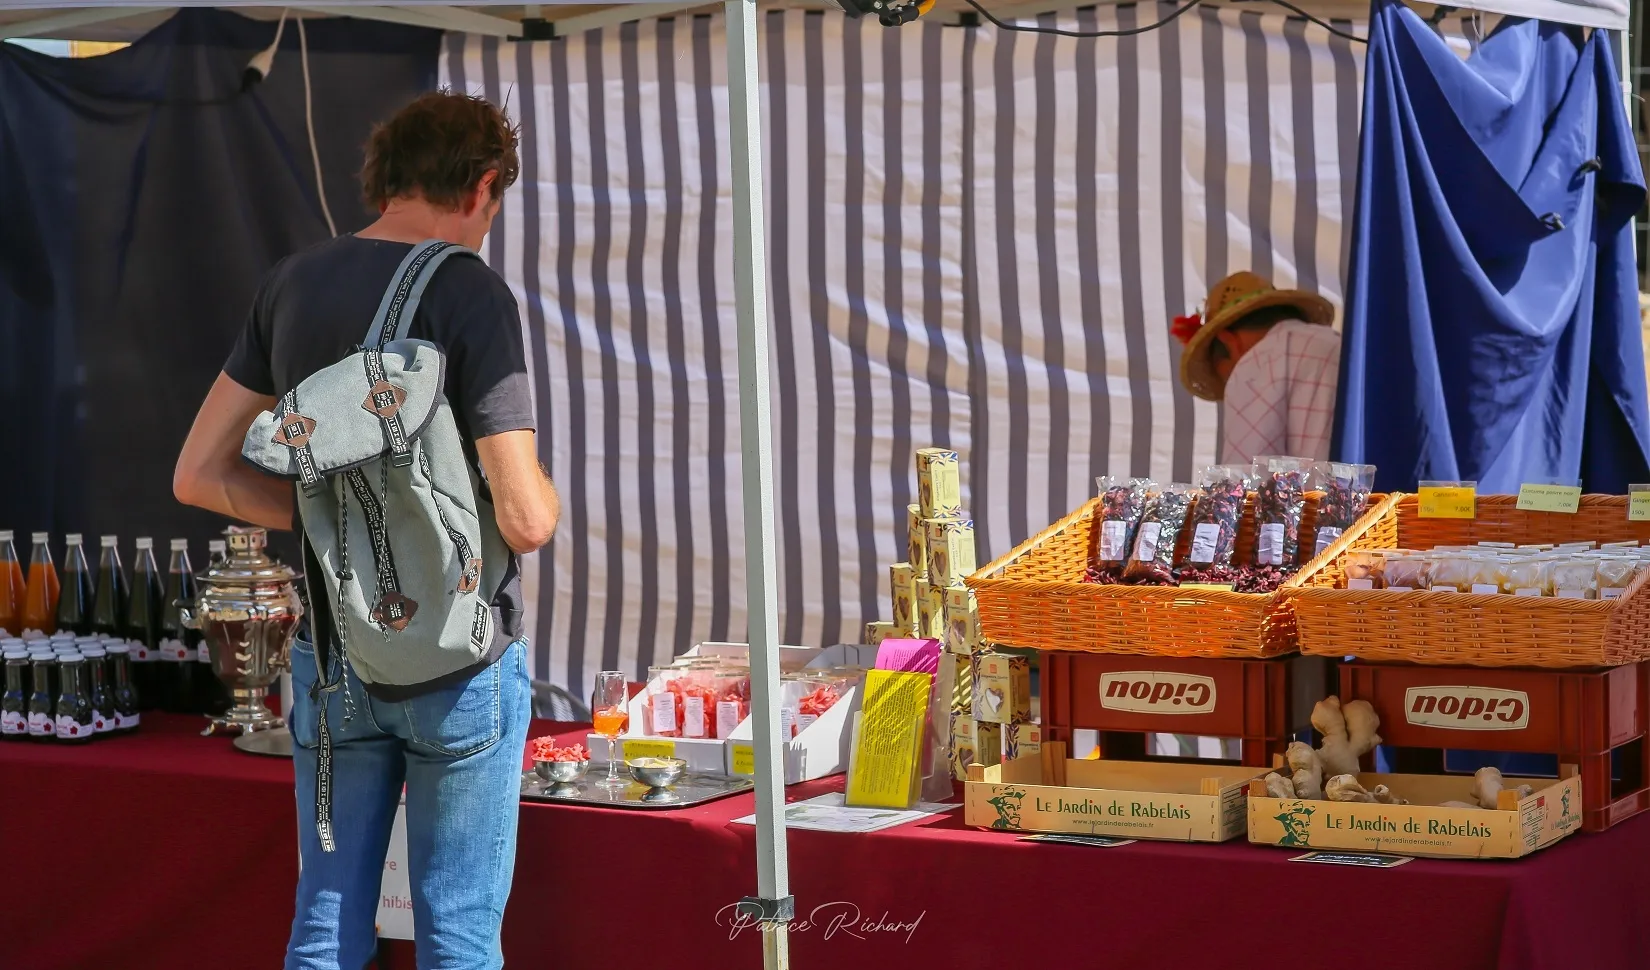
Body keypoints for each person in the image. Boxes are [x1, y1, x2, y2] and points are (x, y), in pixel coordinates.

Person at [173, 91, 559, 970]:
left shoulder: (292, 281)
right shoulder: (470, 292)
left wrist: (322, 524)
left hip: (333, 652)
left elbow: (197, 474)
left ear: (386, 179)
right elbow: (525, 520)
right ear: (485, 185)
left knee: (326, 920)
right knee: (457, 931)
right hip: (460, 660)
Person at [1172, 270, 1341, 464]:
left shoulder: (1256, 363)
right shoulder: (1340, 345)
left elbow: (1249, 481)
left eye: (1227, 377)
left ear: (1229, 341)